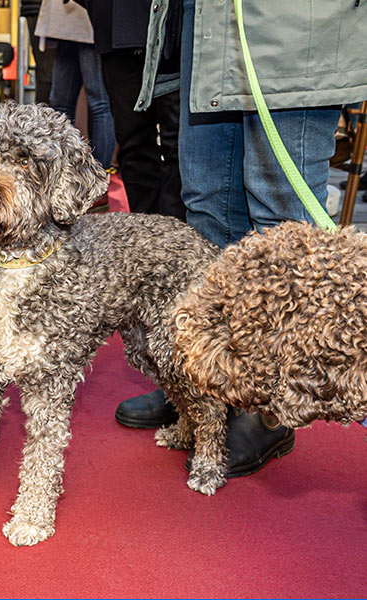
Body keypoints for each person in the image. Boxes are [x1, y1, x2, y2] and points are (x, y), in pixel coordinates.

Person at [123, 0, 367, 476]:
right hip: (210, 30)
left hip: (296, 29)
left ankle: (274, 403)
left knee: (283, 224)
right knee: (207, 206)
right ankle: (212, 382)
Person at [78, 0, 184, 220]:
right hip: (115, 23)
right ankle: (145, 229)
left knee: (177, 142)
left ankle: (175, 232)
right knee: (132, 140)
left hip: (173, 23)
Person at [36, 0, 115, 168]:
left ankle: (98, 173)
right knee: (61, 103)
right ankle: (62, 169)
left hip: (88, 21)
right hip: (68, 22)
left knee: (98, 103)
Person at [20, 0, 55, 105]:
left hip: (42, 9)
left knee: (48, 73)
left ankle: (43, 114)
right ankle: (44, 115)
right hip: (42, 9)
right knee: (47, 73)